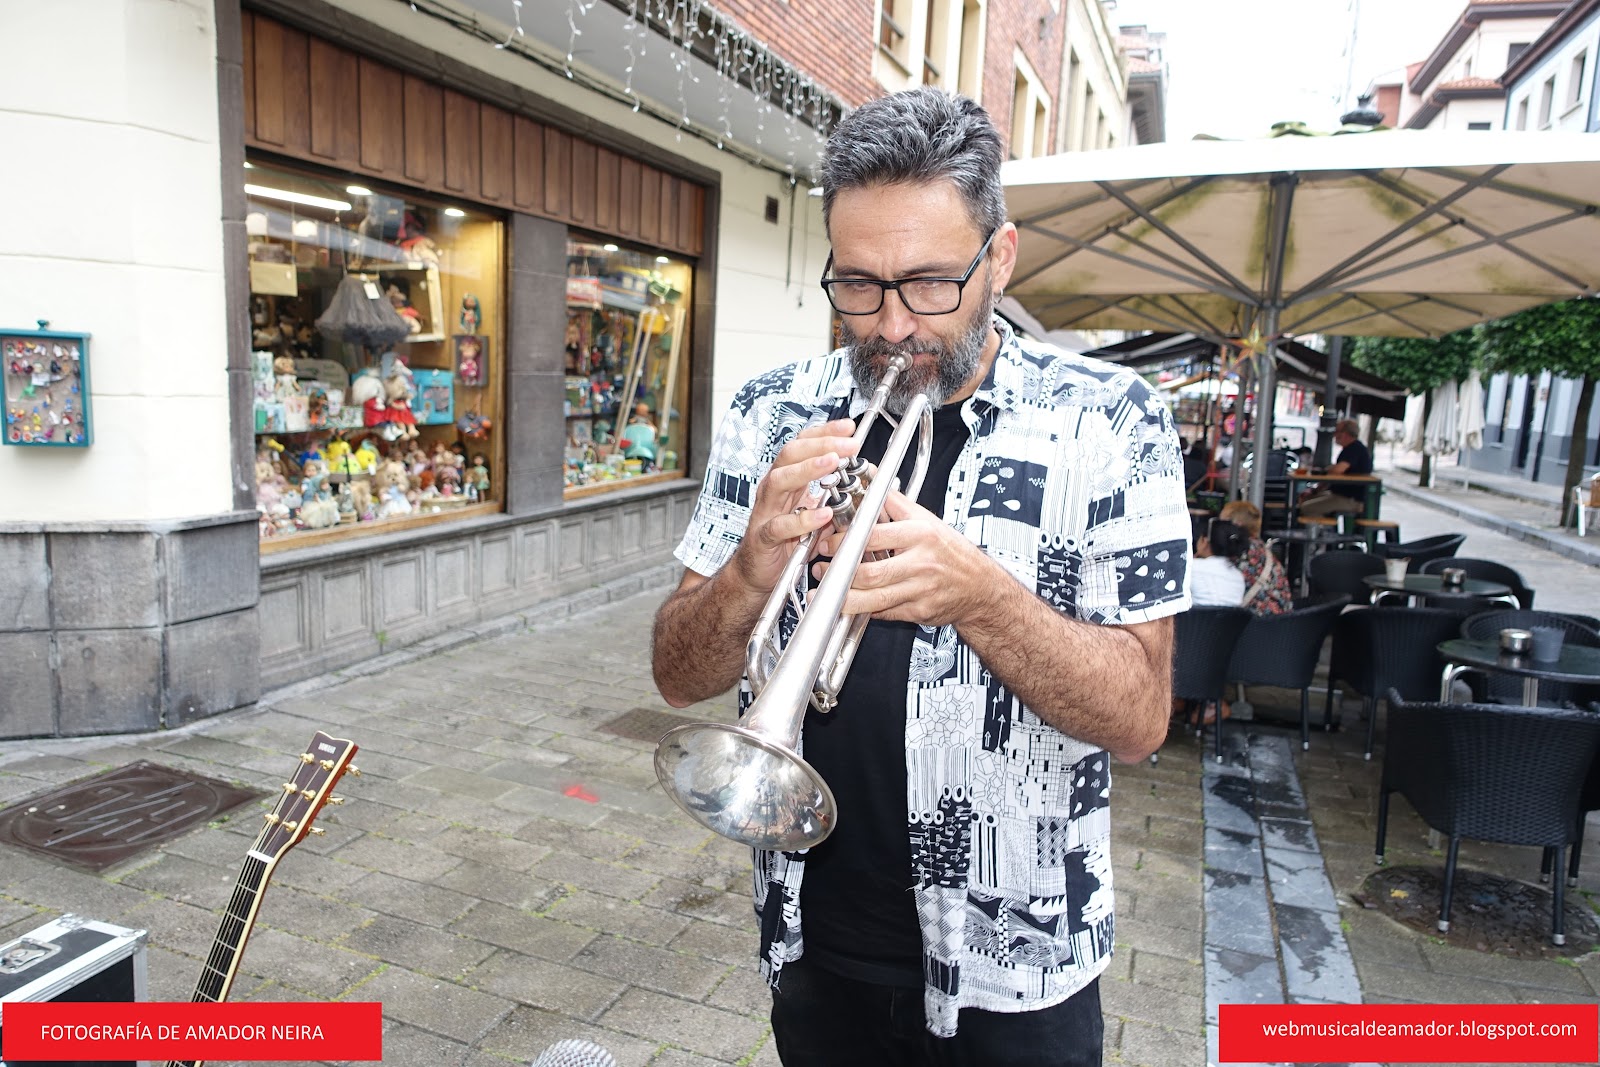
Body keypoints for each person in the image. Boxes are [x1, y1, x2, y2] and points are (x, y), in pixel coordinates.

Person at [651, 88, 1191, 1064]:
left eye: (931, 283)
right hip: (817, 946)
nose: (893, 325)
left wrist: (981, 596)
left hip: (1020, 962)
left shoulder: (1113, 420)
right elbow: (677, 674)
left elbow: (1142, 715)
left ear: (1001, 258)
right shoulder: (771, 410)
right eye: (858, 285)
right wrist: (749, 568)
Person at [1219, 500, 1293, 616]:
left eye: (1222, 523)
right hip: (1282, 620)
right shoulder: (1261, 549)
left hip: (1255, 622)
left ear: (1236, 524)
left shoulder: (1237, 551)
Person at [1298, 419, 1373, 518]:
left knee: (1307, 508)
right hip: (1340, 494)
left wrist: (1329, 469)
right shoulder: (1350, 449)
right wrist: (1314, 490)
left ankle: (1320, 527)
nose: (1334, 435)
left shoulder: (1355, 449)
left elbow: (1338, 470)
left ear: (1345, 434)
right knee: (1306, 498)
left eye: (1337, 431)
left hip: (1350, 499)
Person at [1190, 519, 1248, 607]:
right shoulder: (1238, 576)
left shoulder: (1192, 568)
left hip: (1195, 615)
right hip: (1229, 617)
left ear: (1205, 541)